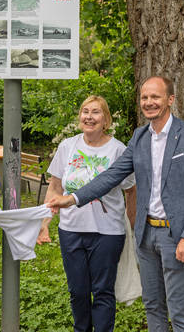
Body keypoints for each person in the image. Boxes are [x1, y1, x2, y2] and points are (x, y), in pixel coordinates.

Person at [48, 76, 184, 332]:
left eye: (155, 97)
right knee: (152, 305)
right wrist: (72, 199)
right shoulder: (140, 137)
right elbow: (111, 176)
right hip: (146, 235)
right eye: (144, 97)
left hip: (176, 236)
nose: (149, 102)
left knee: (179, 310)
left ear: (170, 99)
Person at [37, 95, 136, 332]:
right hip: (71, 229)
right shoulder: (67, 146)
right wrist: (44, 223)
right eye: (85, 112)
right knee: (78, 291)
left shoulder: (118, 150)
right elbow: (55, 188)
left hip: (108, 232)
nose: (89, 117)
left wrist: (132, 227)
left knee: (102, 291)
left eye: (95, 112)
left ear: (106, 120)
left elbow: (132, 191)